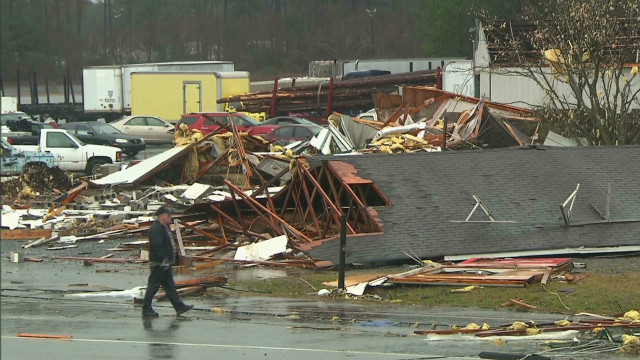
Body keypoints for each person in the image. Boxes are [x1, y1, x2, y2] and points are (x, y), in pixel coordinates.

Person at [141, 207, 193, 317]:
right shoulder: (156, 229)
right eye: (168, 216)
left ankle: (179, 307)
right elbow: (156, 245)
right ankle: (146, 309)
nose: (170, 218)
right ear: (162, 216)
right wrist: (163, 258)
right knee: (153, 285)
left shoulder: (164, 227)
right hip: (159, 263)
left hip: (166, 263)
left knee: (170, 287)